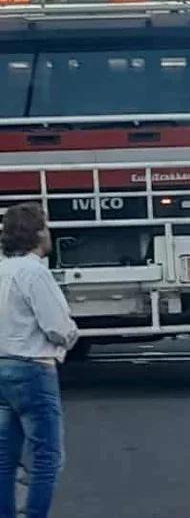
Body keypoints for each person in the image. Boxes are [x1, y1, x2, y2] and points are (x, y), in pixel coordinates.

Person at [0, 202, 78, 518]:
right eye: (45, 227)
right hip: (33, 369)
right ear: (35, 234)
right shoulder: (35, 272)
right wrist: (71, 336)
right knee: (47, 456)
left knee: (6, 457)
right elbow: (57, 327)